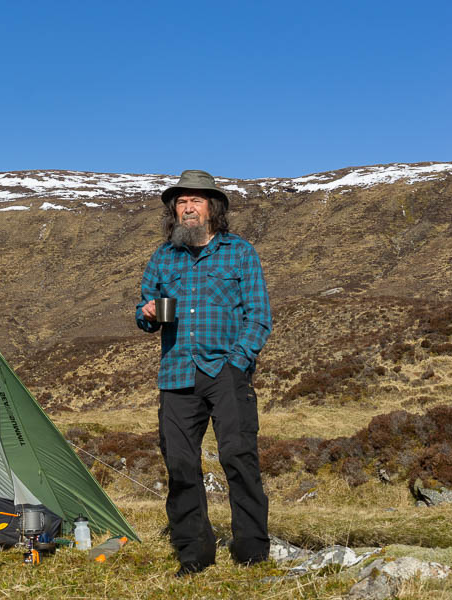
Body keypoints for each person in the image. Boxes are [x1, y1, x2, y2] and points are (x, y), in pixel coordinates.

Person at [135, 169, 272, 576]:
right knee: (179, 464)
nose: (188, 207)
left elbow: (258, 316)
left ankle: (251, 552)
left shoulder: (239, 252)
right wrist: (145, 314)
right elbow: (146, 312)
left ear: (213, 208)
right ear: (173, 211)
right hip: (177, 373)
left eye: (196, 200)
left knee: (239, 457)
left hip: (227, 372)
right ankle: (193, 554)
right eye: (181, 201)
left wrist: (237, 361)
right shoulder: (163, 257)